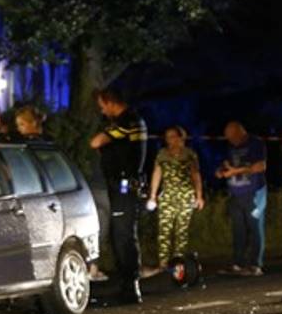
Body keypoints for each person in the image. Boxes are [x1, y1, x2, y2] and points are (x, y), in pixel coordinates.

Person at [89, 88, 147, 302]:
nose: (102, 111)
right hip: (119, 186)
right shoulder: (127, 120)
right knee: (119, 235)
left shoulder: (127, 121)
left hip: (125, 186)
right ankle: (126, 284)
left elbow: (96, 142)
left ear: (110, 102)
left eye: (102, 106)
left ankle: (131, 287)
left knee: (123, 236)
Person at [146, 126, 203, 272]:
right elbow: (157, 173)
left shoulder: (189, 154)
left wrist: (199, 196)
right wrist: (153, 195)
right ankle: (163, 263)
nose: (170, 139)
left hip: (185, 196)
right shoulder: (162, 154)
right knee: (164, 230)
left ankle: (179, 264)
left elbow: (195, 175)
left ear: (180, 137)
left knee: (181, 232)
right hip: (167, 197)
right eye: (167, 137)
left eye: (172, 136)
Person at [215, 121, 268, 275]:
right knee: (238, 229)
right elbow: (226, 165)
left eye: (232, 137)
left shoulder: (256, 143)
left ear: (241, 133)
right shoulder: (230, 146)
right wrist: (221, 171)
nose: (231, 141)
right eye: (228, 138)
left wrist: (237, 171)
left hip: (254, 192)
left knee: (255, 227)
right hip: (235, 193)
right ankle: (238, 262)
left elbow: (261, 166)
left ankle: (256, 264)